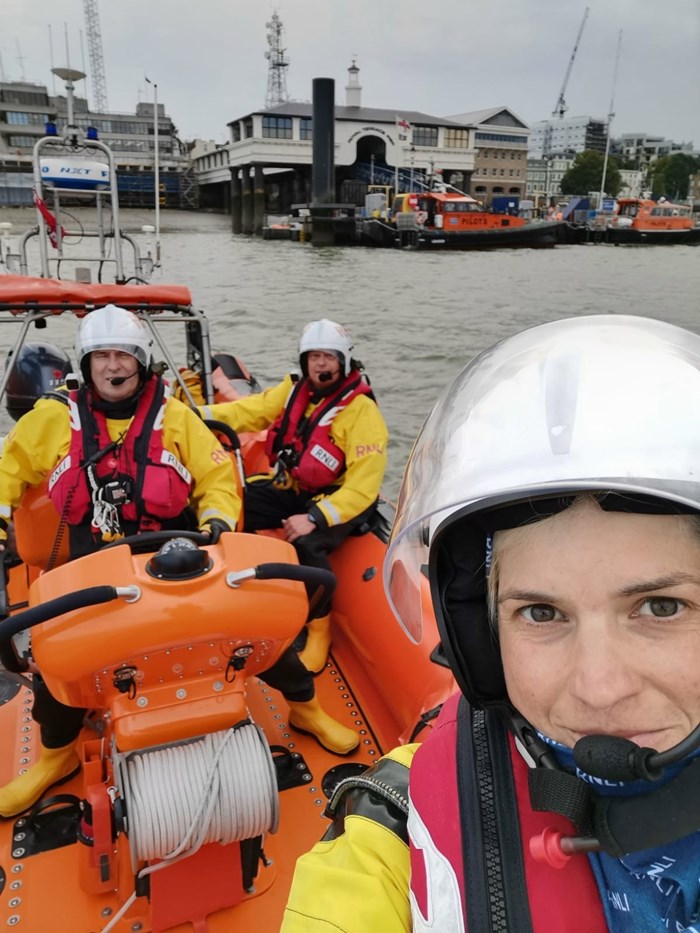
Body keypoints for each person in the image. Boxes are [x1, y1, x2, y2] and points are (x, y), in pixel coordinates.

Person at [282, 314, 700, 932]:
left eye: (661, 608)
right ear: (477, 638)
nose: (600, 688)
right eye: (541, 613)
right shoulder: (397, 824)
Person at [0, 306, 356, 819]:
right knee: (59, 665)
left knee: (261, 630)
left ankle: (305, 708)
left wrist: (216, 523)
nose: (112, 366)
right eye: (102, 355)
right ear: (85, 361)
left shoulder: (173, 415)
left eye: (123, 354)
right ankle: (55, 756)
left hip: (176, 557)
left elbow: (215, 474)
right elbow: (8, 476)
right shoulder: (53, 418)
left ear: (142, 362)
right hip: (91, 565)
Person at [200, 318, 388, 674]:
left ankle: (319, 630)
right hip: (297, 487)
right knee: (237, 504)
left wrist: (315, 518)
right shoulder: (293, 391)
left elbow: (363, 485)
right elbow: (249, 412)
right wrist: (196, 415)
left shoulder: (362, 412)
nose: (320, 364)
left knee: (310, 544)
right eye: (313, 357)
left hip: (340, 501)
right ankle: (230, 587)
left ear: (343, 362)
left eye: (328, 357)